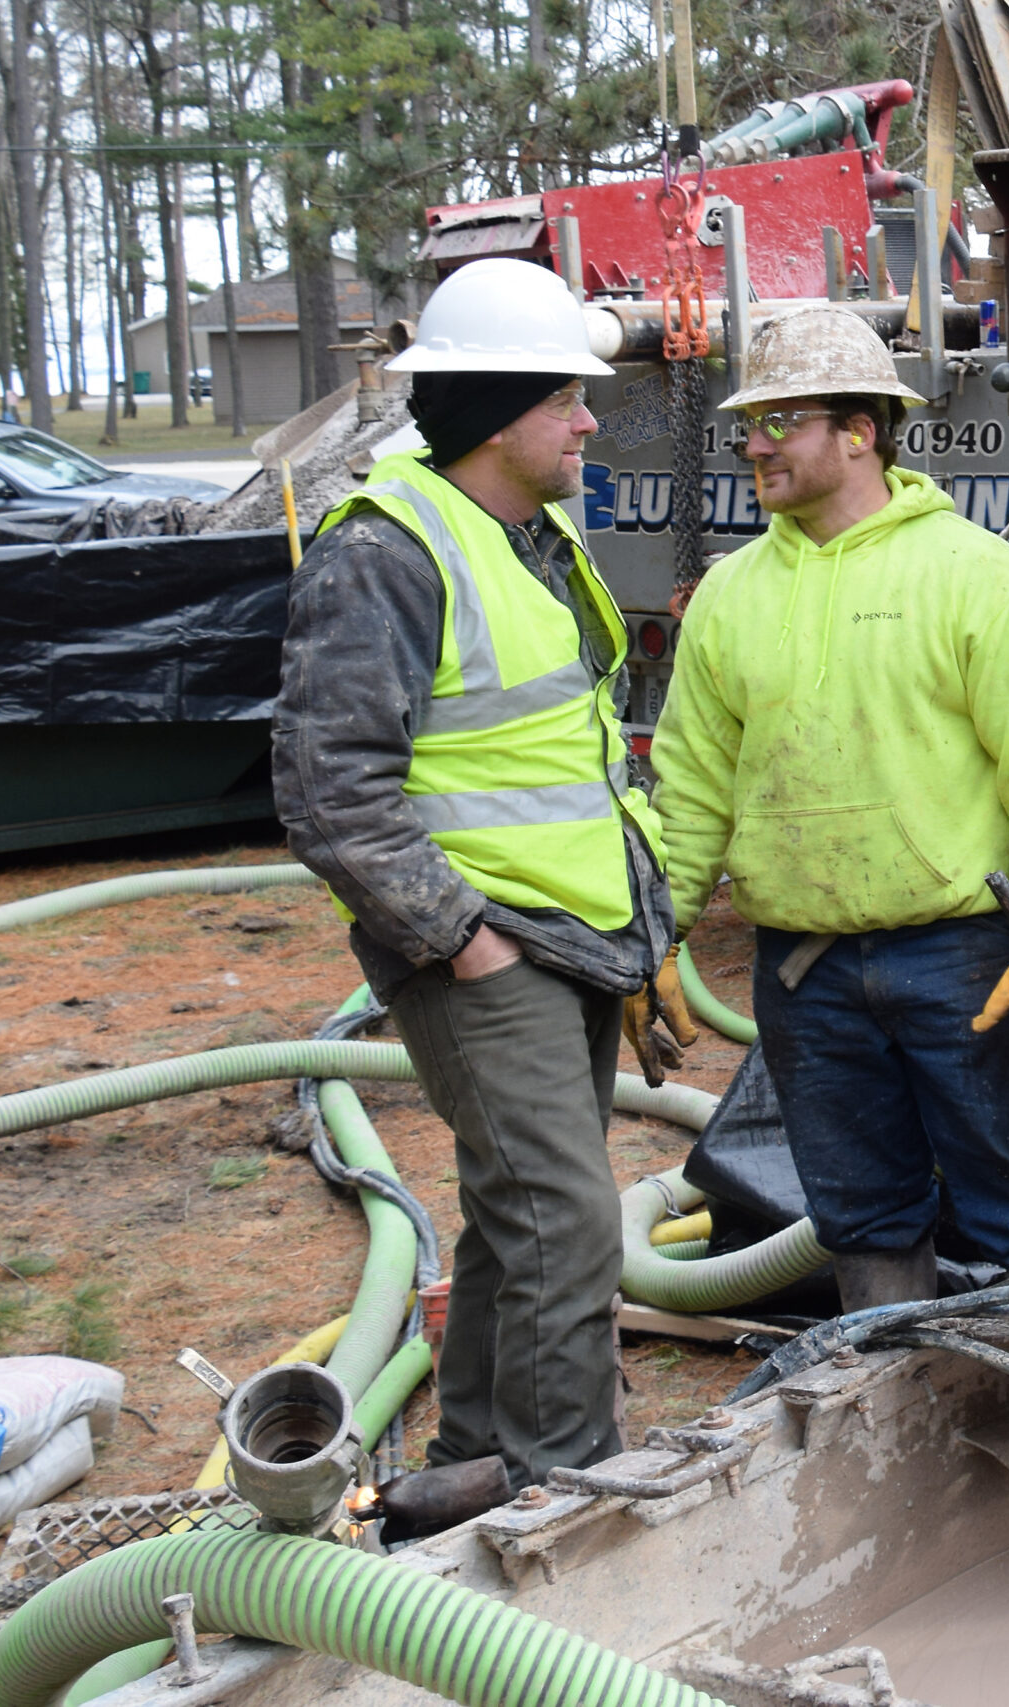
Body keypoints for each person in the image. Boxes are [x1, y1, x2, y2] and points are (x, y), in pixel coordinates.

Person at [272, 256, 695, 1489]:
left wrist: (639, 930)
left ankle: (471, 1464)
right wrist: (467, 940)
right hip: (482, 947)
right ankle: (568, 1495)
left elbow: (569, 758)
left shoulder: (530, 539)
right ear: (505, 415)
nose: (588, 419)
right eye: (568, 397)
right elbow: (329, 793)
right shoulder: (385, 557)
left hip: (571, 938)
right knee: (566, 1222)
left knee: (521, 1225)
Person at [649, 303, 1009, 1310]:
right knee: (858, 1211)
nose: (754, 444)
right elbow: (691, 780)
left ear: (860, 432)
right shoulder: (729, 595)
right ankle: (892, 1410)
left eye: (782, 422)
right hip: (805, 971)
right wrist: (661, 933)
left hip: (968, 958)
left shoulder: (974, 576)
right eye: (748, 426)